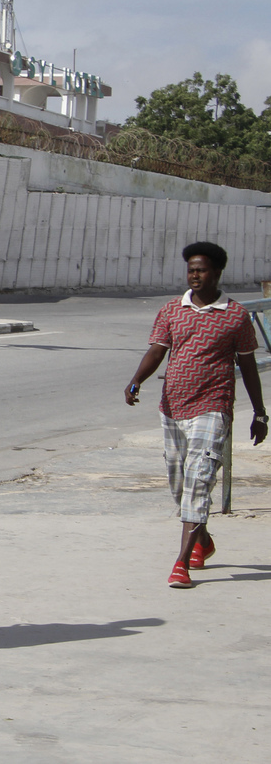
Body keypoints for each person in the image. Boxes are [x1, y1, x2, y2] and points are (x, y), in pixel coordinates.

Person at [124, 241, 266, 589]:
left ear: (217, 273)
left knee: (199, 478)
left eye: (201, 270)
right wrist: (136, 380)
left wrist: (260, 413)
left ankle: (181, 563)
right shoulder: (173, 309)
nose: (194, 275)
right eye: (190, 270)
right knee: (179, 484)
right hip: (173, 408)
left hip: (213, 406)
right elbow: (158, 350)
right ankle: (203, 541)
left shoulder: (236, 316)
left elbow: (247, 366)